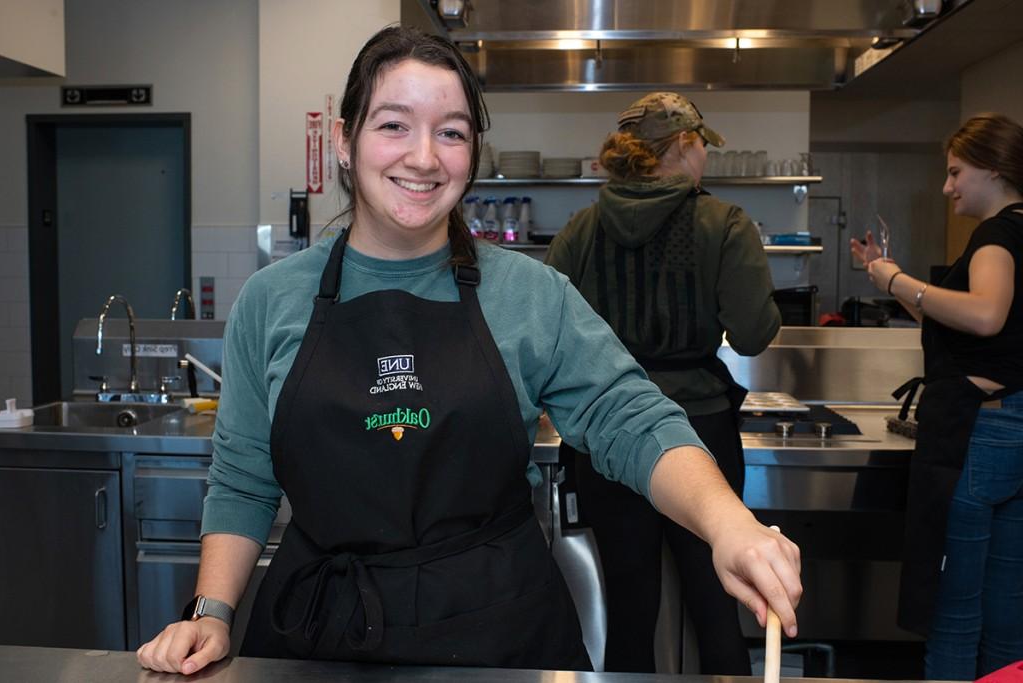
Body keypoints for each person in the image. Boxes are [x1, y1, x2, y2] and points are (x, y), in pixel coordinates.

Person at [137, 26, 801, 675]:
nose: (424, 157)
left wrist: (730, 524)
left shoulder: (530, 293)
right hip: (322, 634)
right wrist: (209, 610)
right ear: (344, 141)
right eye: (394, 124)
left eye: (451, 132)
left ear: (472, 152)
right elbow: (243, 478)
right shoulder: (271, 301)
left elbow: (629, 416)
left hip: (499, 634)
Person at [545, 92, 782, 674]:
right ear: (681, 145)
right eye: (702, 145)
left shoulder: (581, 228)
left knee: (628, 610)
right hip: (697, 432)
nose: (705, 157)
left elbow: (546, 333)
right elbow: (753, 333)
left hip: (603, 432)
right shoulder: (721, 223)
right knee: (716, 603)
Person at [850, 112, 1023, 680]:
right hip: (1014, 425)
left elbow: (985, 315)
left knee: (952, 612)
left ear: (993, 169)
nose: (948, 187)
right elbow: (957, 319)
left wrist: (898, 283)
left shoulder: (996, 234)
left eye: (955, 173)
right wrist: (885, 274)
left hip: (977, 433)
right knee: (1007, 619)